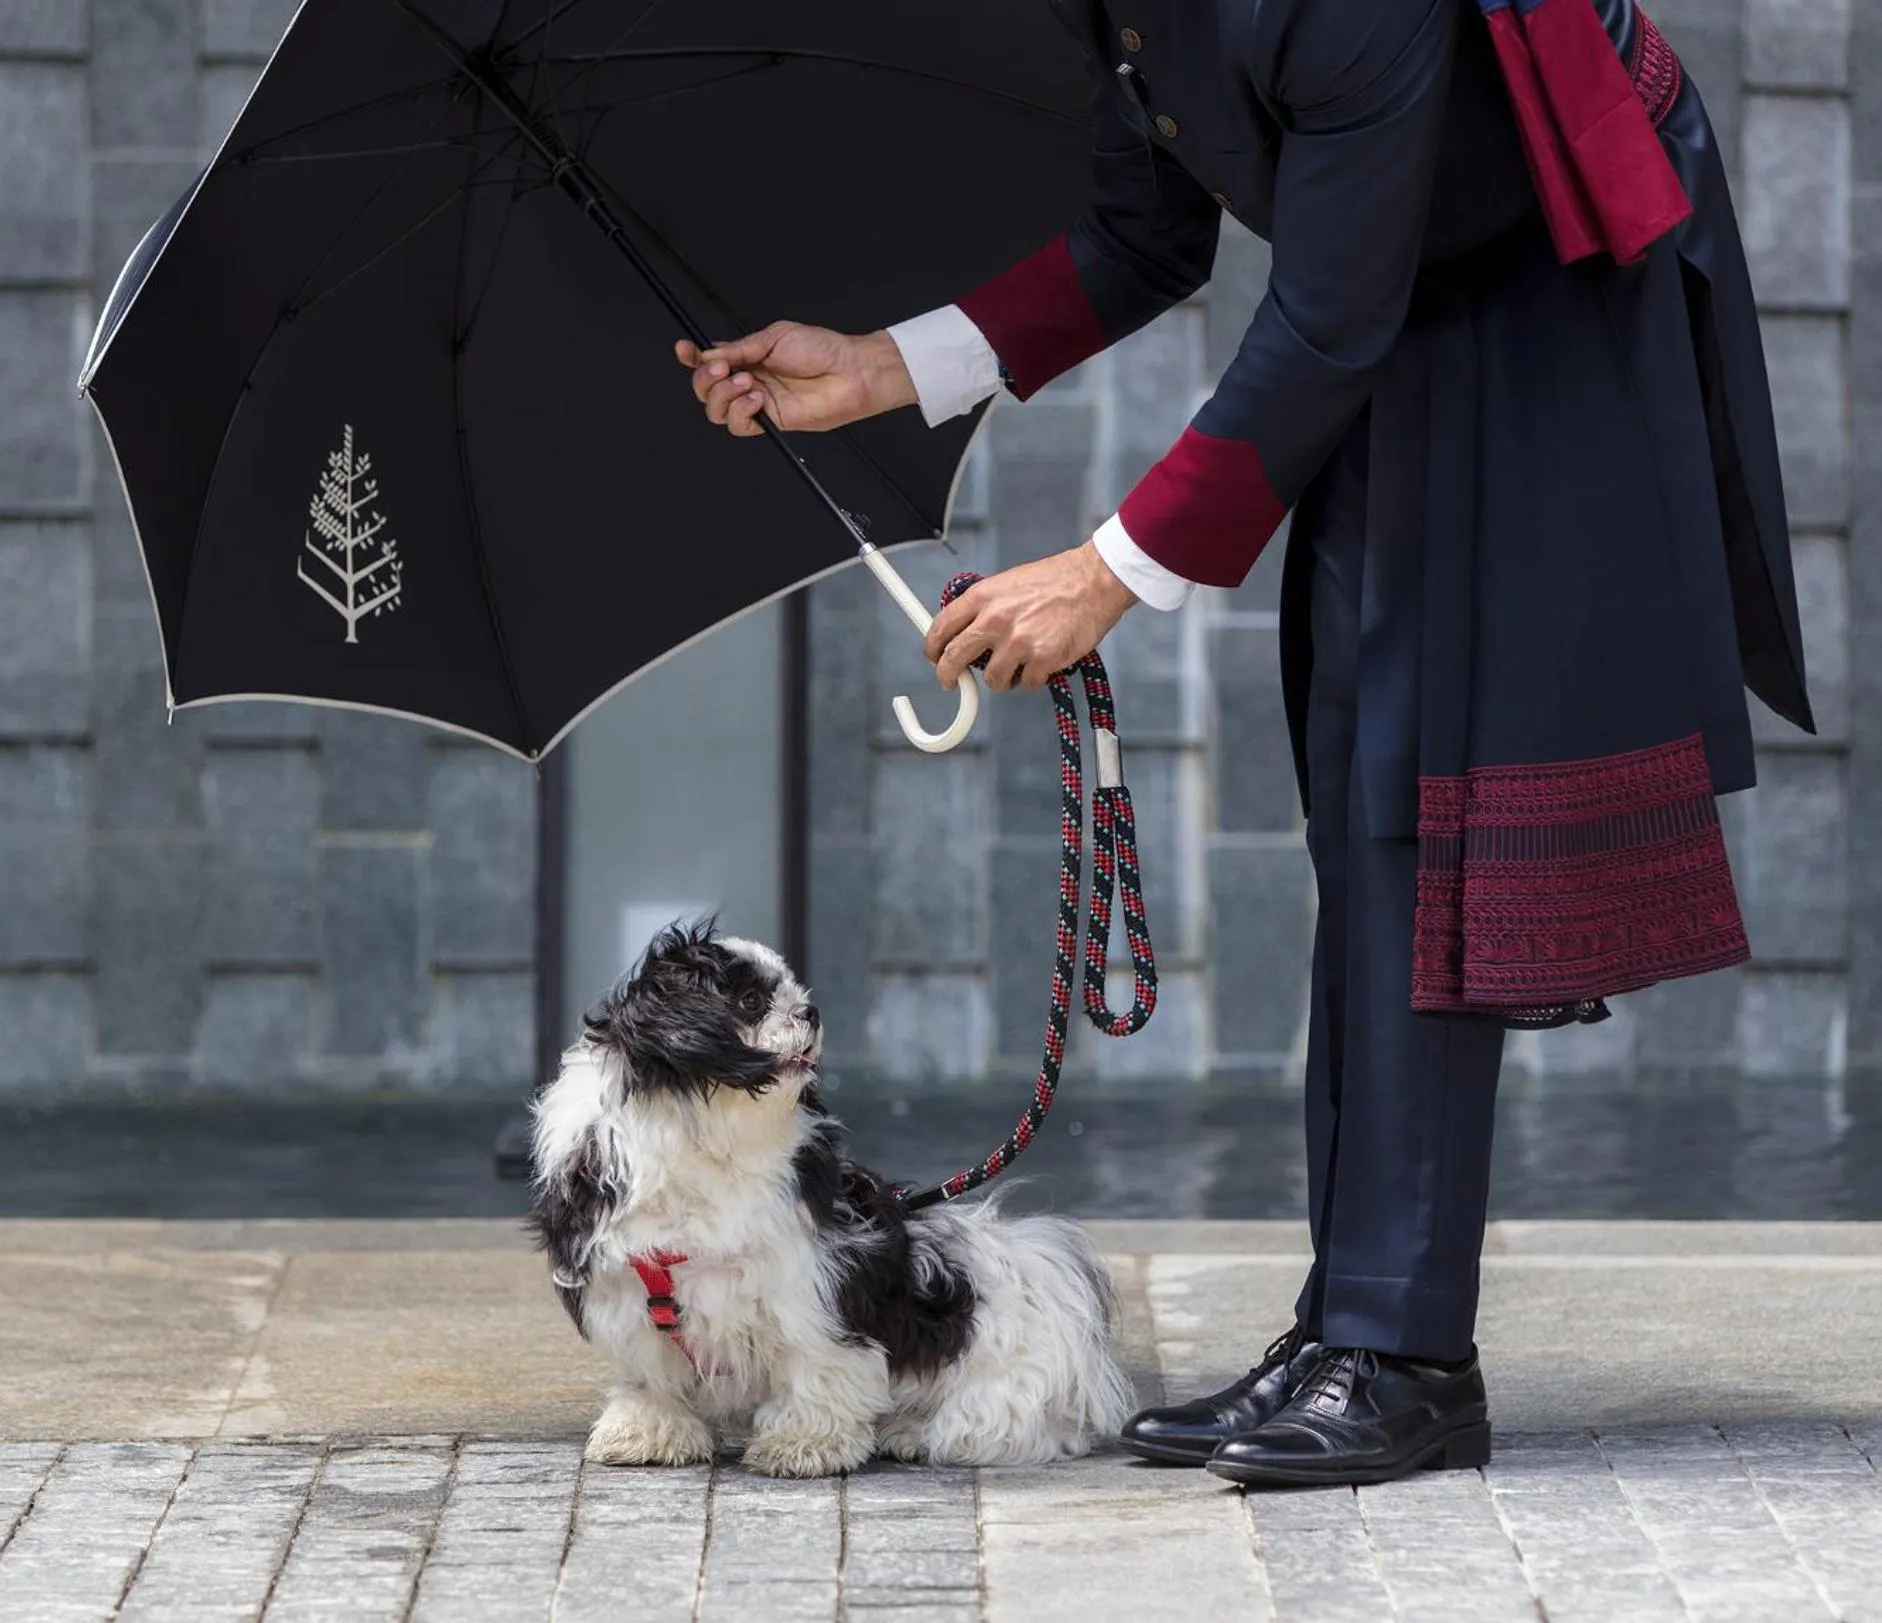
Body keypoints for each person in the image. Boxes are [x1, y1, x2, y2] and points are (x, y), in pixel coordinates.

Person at [678, 0, 1809, 1488]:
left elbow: (1329, 309)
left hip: (1544, 295)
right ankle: (1347, 1323)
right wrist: (881, 367)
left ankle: (1407, 1359)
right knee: (1356, 786)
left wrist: (1103, 574)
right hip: (1405, 305)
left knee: (1420, 795)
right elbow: (1147, 235)